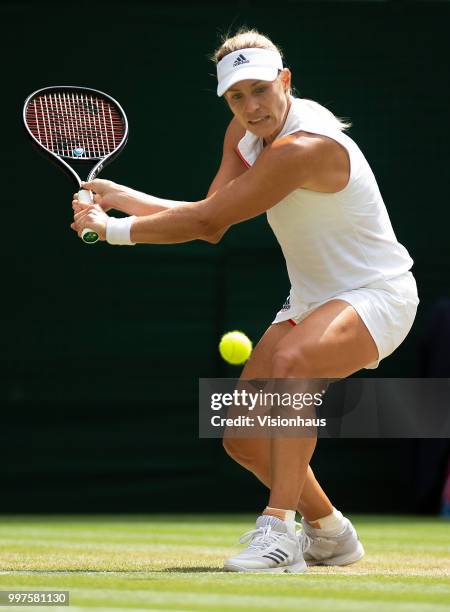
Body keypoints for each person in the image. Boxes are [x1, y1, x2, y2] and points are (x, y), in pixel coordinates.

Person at [71, 28, 419, 573]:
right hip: (312, 298)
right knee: (244, 438)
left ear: (285, 80)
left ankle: (279, 531)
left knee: (292, 362)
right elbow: (212, 212)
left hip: (379, 294)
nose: (250, 106)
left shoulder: (305, 147)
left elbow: (208, 223)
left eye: (260, 90)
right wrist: (122, 201)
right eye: (237, 96)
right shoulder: (244, 132)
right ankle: (330, 533)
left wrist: (113, 232)